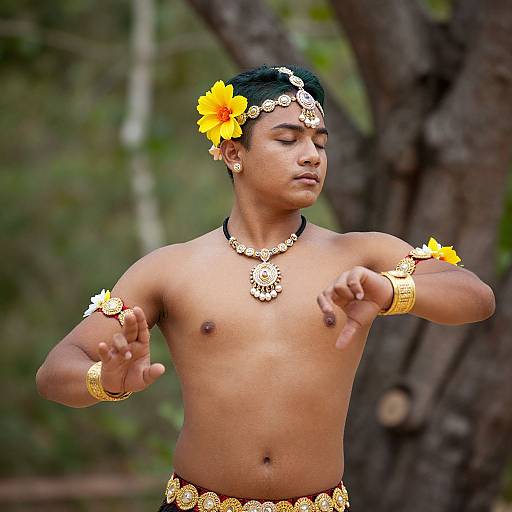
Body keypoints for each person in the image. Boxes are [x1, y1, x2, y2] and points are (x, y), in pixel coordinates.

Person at [35, 65, 496, 512]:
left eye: (320, 143)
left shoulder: (360, 254)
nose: (312, 155)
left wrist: (394, 291)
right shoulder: (169, 270)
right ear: (234, 153)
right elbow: (55, 373)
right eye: (288, 140)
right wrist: (103, 381)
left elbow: (476, 297)